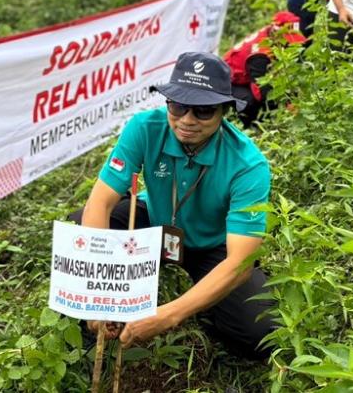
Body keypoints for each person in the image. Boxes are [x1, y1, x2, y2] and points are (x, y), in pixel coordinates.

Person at [71, 52, 276, 359]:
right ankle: (99, 323)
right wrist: (95, 297)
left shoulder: (248, 165)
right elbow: (98, 204)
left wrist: (169, 314)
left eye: (204, 111)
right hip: (155, 223)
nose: (187, 120)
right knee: (82, 225)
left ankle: (206, 309)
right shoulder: (144, 128)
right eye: (178, 105)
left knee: (261, 335)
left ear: (224, 111)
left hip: (213, 246)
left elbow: (241, 263)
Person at [224, 11, 306, 127]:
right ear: (276, 33)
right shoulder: (260, 55)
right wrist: (288, 105)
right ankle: (252, 128)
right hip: (227, 82)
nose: (289, 45)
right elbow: (262, 92)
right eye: (287, 40)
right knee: (249, 102)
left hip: (246, 76)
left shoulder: (271, 34)